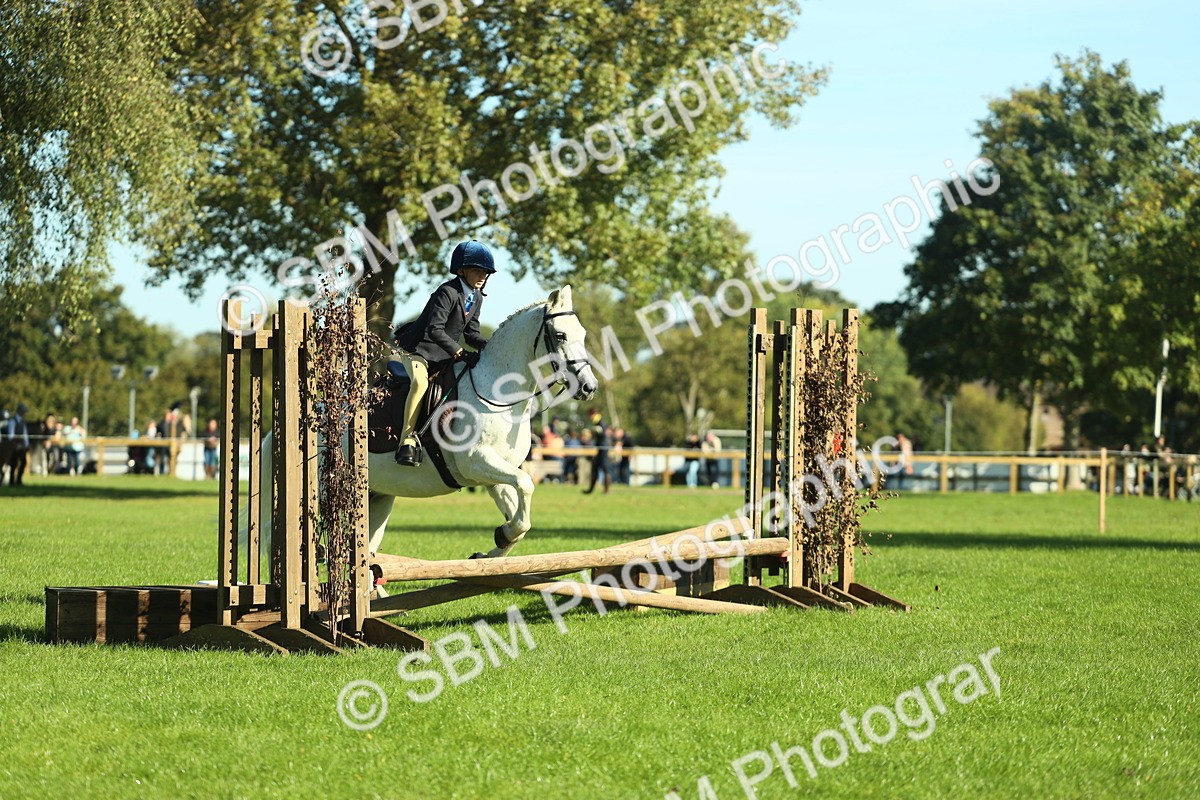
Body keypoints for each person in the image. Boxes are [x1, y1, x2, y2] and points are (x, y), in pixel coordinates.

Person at [391, 240, 493, 466]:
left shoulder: (475, 298)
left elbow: (471, 334)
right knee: (419, 383)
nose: (482, 275)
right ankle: (406, 441)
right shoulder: (447, 292)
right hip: (418, 350)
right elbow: (434, 330)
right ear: (461, 270)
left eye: (485, 271)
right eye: (477, 269)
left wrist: (491, 345)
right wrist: (459, 352)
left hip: (443, 355)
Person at [582, 408, 611, 494]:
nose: (589, 417)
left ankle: (606, 490)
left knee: (605, 469)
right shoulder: (597, 421)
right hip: (600, 448)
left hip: (603, 448)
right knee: (595, 468)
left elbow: (601, 431)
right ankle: (591, 490)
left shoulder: (599, 421)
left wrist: (590, 431)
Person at [4, 403, 31, 486]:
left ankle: (19, 480)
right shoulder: (13, 421)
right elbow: (10, 435)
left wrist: (26, 445)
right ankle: (11, 481)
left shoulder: (22, 421)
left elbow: (25, 434)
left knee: (23, 462)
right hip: (13, 446)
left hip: (21, 447)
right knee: (13, 463)